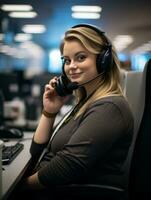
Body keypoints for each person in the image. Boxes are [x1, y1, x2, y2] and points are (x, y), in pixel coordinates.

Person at [12, 24, 134, 199]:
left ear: (103, 60)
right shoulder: (85, 103)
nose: (71, 67)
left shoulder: (109, 107)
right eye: (67, 60)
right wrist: (50, 112)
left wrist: (18, 187)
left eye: (81, 57)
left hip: (75, 192)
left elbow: (68, 166)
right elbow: (37, 152)